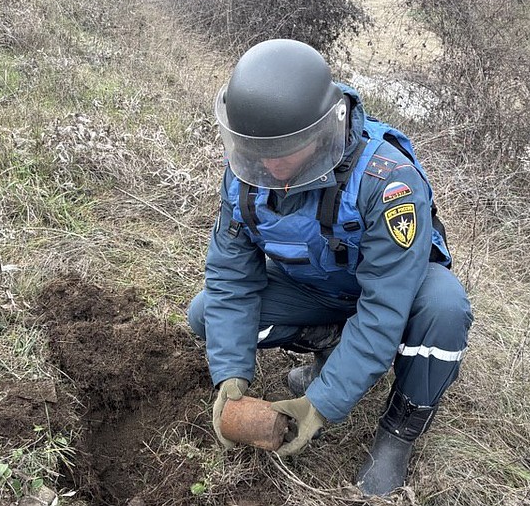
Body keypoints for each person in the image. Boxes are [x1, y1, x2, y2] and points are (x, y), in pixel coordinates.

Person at [187, 38, 474, 495]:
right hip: (315, 289)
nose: (269, 164)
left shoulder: (388, 181)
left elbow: (384, 308)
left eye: (285, 149)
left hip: (388, 293)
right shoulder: (249, 169)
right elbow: (231, 280)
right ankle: (330, 345)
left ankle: (396, 438)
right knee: (205, 314)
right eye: (257, 150)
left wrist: (318, 407)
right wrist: (231, 376)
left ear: (323, 130)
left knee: (445, 309)